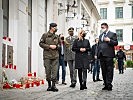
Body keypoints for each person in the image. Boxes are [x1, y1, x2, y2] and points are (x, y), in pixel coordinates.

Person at [39, 23, 60, 92]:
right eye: (55, 27)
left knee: (54, 71)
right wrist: (49, 46)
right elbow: (40, 43)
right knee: (48, 71)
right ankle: (49, 85)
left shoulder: (57, 36)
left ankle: (54, 85)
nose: (56, 28)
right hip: (47, 56)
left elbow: (60, 45)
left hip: (55, 56)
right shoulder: (45, 35)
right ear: (51, 27)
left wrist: (56, 46)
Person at [97, 23, 118, 91]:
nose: (102, 28)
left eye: (103, 27)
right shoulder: (100, 36)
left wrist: (109, 40)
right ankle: (105, 84)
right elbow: (98, 45)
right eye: (101, 27)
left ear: (107, 27)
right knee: (103, 71)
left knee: (109, 70)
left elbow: (116, 43)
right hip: (101, 55)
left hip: (109, 55)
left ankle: (109, 84)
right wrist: (97, 54)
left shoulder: (112, 34)